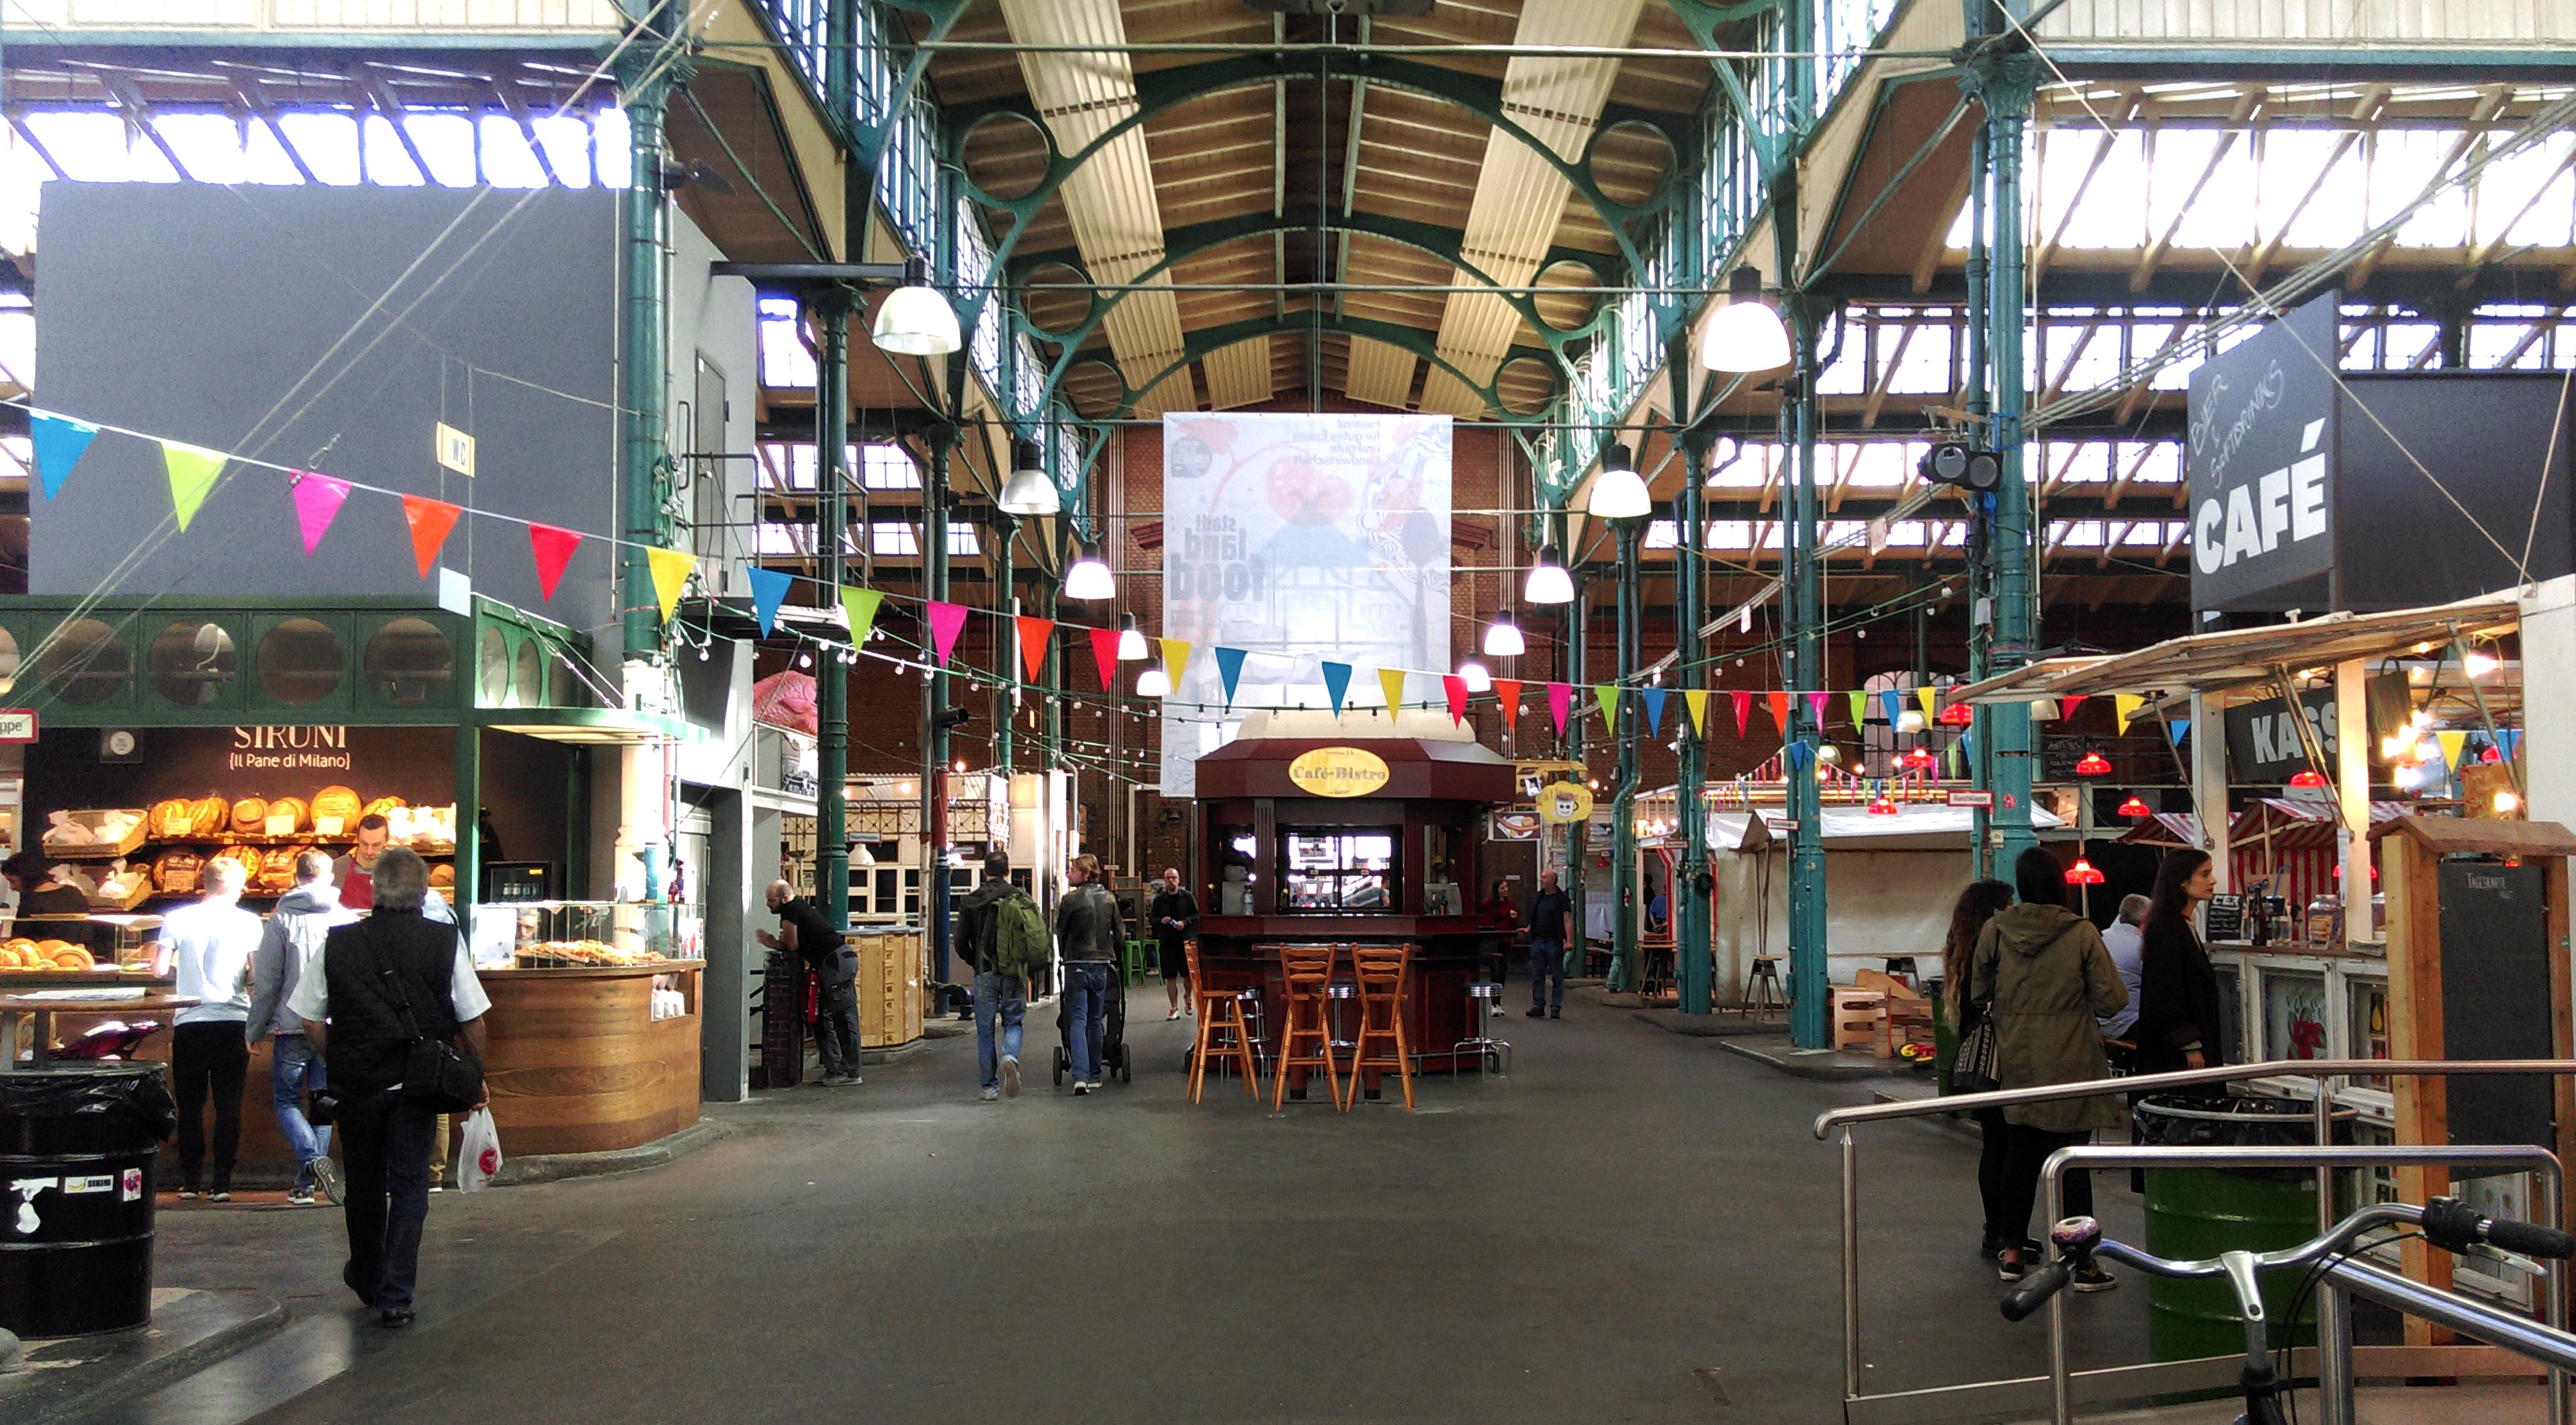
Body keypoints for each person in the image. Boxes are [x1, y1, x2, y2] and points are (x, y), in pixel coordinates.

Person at [290, 848, 488, 1329]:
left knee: (363, 1185)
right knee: (409, 1185)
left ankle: (368, 1276)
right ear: (424, 891)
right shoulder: (443, 942)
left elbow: (309, 1015)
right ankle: (397, 1294)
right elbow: (473, 1015)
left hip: (357, 1083)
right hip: (418, 1083)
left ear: (373, 889)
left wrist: (335, 1053)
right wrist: (476, 1073)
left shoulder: (339, 942)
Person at [1972, 847, 2127, 1289]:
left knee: (2019, 1157)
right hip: (2072, 1059)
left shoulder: (1995, 930)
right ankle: (2082, 1265)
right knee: (2070, 1162)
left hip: (2017, 1058)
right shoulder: (2080, 933)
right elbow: (2112, 999)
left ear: (2020, 885)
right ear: (2058, 883)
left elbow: (1976, 989)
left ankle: (2013, 1254)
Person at [247, 850, 353, 1205]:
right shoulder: (347, 918)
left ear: (295, 877)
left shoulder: (281, 919)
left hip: (292, 1025)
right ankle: (306, 1185)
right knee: (322, 1103)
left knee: (287, 1100)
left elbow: (267, 982)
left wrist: (254, 1029)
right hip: (332, 1025)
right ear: (329, 877)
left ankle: (310, 1164)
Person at [163, 857, 263, 1201]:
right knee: (228, 1105)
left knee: (189, 1106)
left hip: (190, 1021)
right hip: (233, 1020)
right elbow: (256, 975)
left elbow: (159, 968)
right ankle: (222, 1183)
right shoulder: (249, 922)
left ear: (205, 883)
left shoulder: (176, 918)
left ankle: (190, 1181)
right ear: (233, 887)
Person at [1939, 878, 2017, 1262]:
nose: (2014, 909)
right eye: (2009, 902)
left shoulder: (1960, 947)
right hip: (1998, 1055)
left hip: (1975, 1056)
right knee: (2005, 1147)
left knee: (1993, 1146)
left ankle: (1998, 1231)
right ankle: (2003, 1234)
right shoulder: (1995, 946)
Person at [759, 880, 860, 1086]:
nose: (768, 904)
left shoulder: (790, 909)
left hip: (834, 963)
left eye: (771, 900)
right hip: (840, 960)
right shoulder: (799, 906)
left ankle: (846, 1072)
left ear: (784, 898)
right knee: (836, 1015)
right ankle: (841, 1069)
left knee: (833, 1016)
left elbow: (791, 944)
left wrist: (774, 944)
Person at [2134, 849, 2225, 1074]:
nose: (2213, 881)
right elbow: (2164, 991)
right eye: (2205, 875)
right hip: (2176, 1054)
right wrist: (2188, 1043)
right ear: (2183, 881)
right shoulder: (2168, 928)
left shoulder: (2180, 925)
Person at [954, 852, 1030, 1102]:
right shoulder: (1019, 896)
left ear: (985, 871)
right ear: (1008, 871)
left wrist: (974, 961)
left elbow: (960, 942)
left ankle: (989, 1087)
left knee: (985, 1031)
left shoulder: (970, 900)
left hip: (984, 971)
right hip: (1012, 971)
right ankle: (1010, 1056)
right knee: (1013, 1021)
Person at [1053, 854, 1123, 1095]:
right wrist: (1118, 959)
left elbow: (1061, 932)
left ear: (1085, 874)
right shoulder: (1109, 899)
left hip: (1077, 964)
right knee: (1095, 1019)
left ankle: (1080, 1076)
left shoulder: (1070, 900)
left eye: (1073, 870)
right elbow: (1120, 933)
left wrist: (1063, 956)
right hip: (1102, 964)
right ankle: (1095, 1074)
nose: (1069, 873)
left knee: (1078, 1019)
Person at [3, 851, 100, 954]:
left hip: (45, 959)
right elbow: (86, 932)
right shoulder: (73, 892)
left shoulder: (31, 902)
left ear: (27, 877)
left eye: (13, 881)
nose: (11, 887)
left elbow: (20, 942)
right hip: (79, 955)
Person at [2098, 893, 2151, 1041]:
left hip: (2098, 1022)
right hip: (2126, 1025)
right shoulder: (2141, 947)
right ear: (2147, 918)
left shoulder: (2101, 937)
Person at [1147, 867, 1198, 1020]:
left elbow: (1196, 915)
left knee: (1187, 975)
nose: (1171, 881)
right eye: (1168, 878)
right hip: (1167, 942)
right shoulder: (1160, 900)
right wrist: (1161, 921)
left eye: (1174, 878)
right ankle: (1173, 1008)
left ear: (1178, 880)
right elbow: (1152, 919)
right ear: (1164, 880)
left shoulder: (1187, 897)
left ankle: (1188, 997)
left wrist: (1185, 922)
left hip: (1185, 940)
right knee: (1170, 977)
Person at [1525, 869, 1572, 1019]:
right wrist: (1529, 928)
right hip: (1539, 940)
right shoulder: (1540, 897)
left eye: (1544, 877)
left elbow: (1567, 919)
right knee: (1538, 975)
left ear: (1553, 880)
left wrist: (1569, 940)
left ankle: (1555, 1007)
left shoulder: (1561, 898)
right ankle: (1538, 1005)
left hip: (1553, 941)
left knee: (1557, 976)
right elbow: (1536, 916)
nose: (1541, 879)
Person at [332, 815, 392, 912]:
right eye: (364, 844)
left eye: (376, 845)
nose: (369, 851)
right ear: (357, 839)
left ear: (386, 841)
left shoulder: (397, 870)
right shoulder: (338, 868)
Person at [1475, 878, 1517, 989]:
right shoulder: (1488, 904)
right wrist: (1506, 914)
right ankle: (1495, 1001)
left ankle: (1499, 995)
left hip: (1506, 939)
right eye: (1502, 888)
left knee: (1503, 970)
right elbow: (1488, 920)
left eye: (1506, 887)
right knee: (1495, 971)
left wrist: (1513, 918)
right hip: (1494, 940)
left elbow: (1513, 924)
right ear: (1496, 890)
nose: (1506, 890)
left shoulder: (1510, 904)